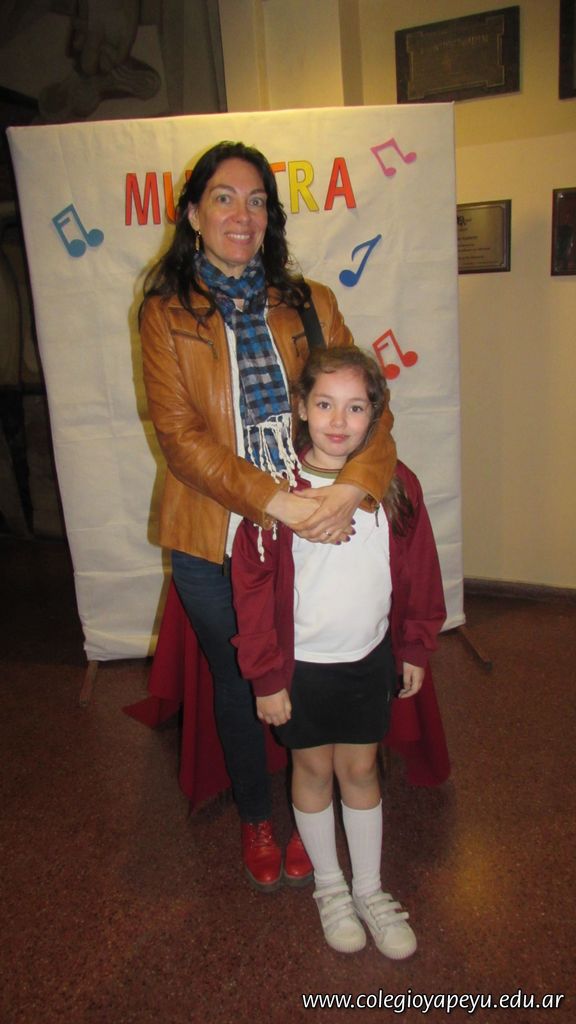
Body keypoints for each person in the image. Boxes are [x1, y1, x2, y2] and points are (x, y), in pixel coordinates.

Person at [139, 141, 397, 892]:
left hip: (314, 527)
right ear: (194, 214)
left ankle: (312, 815)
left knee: (308, 675)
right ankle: (258, 814)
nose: (241, 215)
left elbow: (372, 407)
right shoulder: (163, 314)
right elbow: (180, 438)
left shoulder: (310, 301)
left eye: (256, 201)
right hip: (213, 534)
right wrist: (274, 501)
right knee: (241, 678)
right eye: (223, 198)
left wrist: (349, 492)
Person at [231, 347, 446, 955]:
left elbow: (421, 571)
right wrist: (266, 677)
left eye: (355, 407)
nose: (337, 420)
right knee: (312, 772)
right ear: (300, 407)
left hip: (367, 662)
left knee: (361, 771)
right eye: (324, 404)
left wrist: (415, 645)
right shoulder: (277, 493)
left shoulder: (395, 485)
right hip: (300, 670)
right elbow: (251, 589)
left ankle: (370, 889)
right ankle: (331, 888)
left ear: (375, 413)